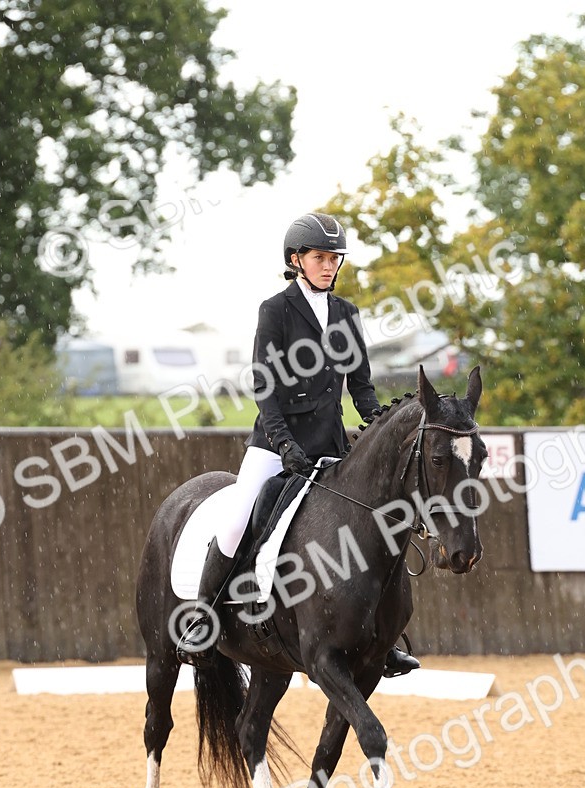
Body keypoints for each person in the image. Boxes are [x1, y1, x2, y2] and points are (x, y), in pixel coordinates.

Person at [176, 211, 420, 677]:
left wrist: (379, 423)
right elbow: (265, 387)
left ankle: (382, 639)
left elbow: (362, 388)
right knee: (236, 522)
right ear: (297, 260)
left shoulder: (347, 314)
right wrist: (284, 443)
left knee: (370, 526)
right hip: (275, 446)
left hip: (331, 447)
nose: (329, 266)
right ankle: (202, 619)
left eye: (334, 259)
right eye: (320, 258)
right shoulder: (276, 310)